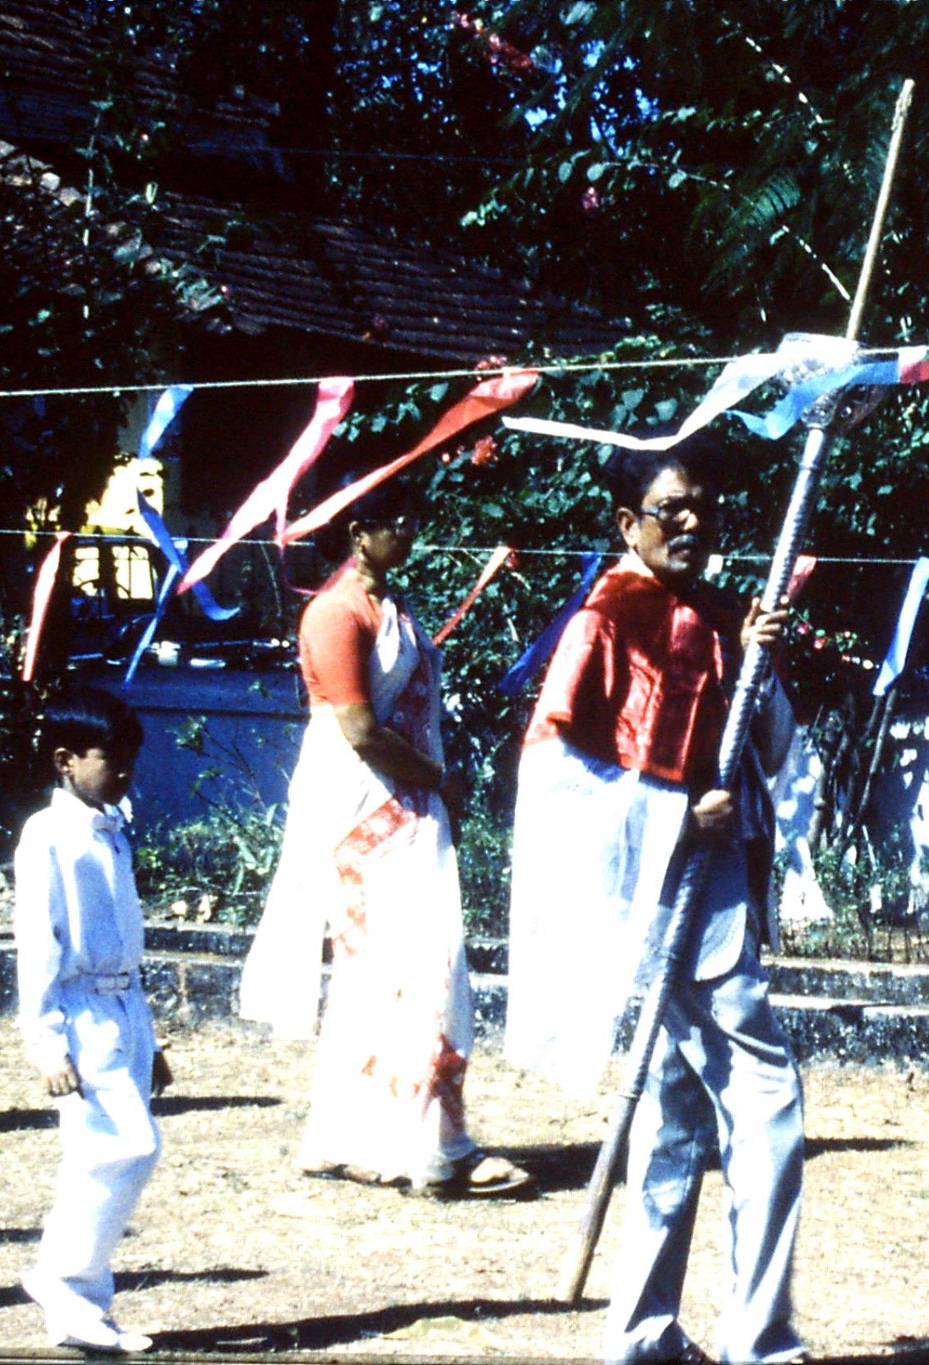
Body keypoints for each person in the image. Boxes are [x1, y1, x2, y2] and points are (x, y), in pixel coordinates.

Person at [505, 433, 803, 1365]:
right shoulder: (603, 620)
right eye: (669, 508)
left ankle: (645, 1334)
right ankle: (761, 1340)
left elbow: (777, 747)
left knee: (677, 1116)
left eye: (702, 506)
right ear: (626, 521)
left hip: (720, 881)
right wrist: (677, 813)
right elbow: (552, 771)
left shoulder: (722, 613)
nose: (690, 522)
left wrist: (764, 664)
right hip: (661, 885)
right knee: (768, 1103)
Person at [239, 478, 528, 1197]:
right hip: (363, 809)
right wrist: (438, 776)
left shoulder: (389, 607)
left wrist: (432, 783)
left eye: (414, 517)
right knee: (414, 969)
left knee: (393, 972)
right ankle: (436, 1144)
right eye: (396, 520)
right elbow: (361, 731)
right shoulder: (336, 614)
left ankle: (350, 1135)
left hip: (409, 799)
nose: (409, 531)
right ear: (358, 530)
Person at [15, 685, 162, 1353]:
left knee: (104, 1152)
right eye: (112, 758)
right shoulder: (48, 835)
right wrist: (46, 1040)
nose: (124, 772)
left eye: (131, 758)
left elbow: (126, 933)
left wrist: (150, 1035)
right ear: (65, 759)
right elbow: (38, 941)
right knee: (125, 1145)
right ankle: (59, 1276)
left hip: (124, 1006)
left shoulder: (113, 826)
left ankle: (83, 1306)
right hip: (80, 1012)